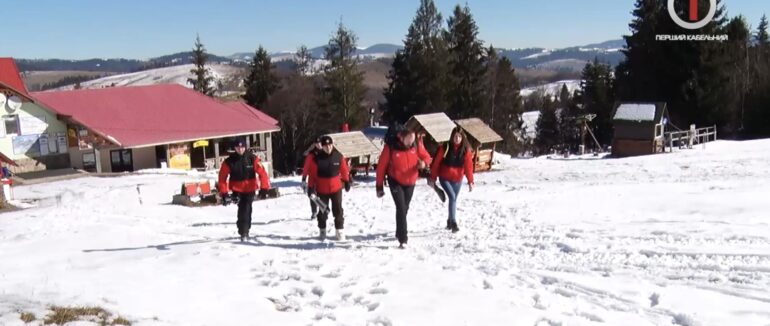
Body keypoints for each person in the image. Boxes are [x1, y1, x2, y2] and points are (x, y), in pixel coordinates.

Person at [375, 124, 432, 248]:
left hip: (411, 181)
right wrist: (379, 186)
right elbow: (381, 167)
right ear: (401, 137)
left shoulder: (415, 145)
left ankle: (399, 230)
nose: (410, 143)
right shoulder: (390, 147)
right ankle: (403, 239)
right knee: (400, 207)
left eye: (412, 140)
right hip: (395, 180)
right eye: (408, 140)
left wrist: (423, 163)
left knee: (405, 208)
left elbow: (427, 157)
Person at [217, 137, 271, 241]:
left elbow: (262, 173)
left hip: (250, 188)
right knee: (242, 208)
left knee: (247, 208)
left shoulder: (252, 158)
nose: (240, 149)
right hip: (237, 189)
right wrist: (224, 193)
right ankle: (242, 229)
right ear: (235, 148)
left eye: (242, 147)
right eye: (238, 147)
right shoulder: (229, 161)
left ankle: (245, 231)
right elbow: (222, 177)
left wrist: (264, 188)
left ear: (245, 147)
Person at [429, 126, 474, 233]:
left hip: (457, 179)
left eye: (459, 137)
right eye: (455, 136)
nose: (457, 139)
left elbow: (468, 167)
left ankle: (449, 221)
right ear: (452, 137)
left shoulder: (465, 150)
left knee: (453, 200)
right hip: (445, 178)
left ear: (462, 138)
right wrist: (433, 177)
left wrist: (470, 181)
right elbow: (436, 163)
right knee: (452, 197)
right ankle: (453, 222)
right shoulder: (445, 147)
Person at [306, 135, 351, 241]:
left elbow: (344, 170)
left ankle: (339, 230)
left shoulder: (338, 156)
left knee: (338, 210)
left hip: (336, 189)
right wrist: (310, 187)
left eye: (330, 145)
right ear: (322, 146)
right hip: (322, 190)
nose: (328, 148)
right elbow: (312, 175)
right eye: (326, 146)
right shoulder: (316, 159)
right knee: (322, 212)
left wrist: (347, 181)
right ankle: (322, 230)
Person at [301, 137, 323, 220]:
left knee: (323, 196)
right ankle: (314, 211)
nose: (318, 145)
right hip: (312, 179)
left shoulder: (325, 153)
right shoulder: (311, 155)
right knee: (311, 195)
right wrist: (303, 179)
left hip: (323, 178)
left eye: (319, 143)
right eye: (316, 143)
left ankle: (323, 209)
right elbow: (306, 167)